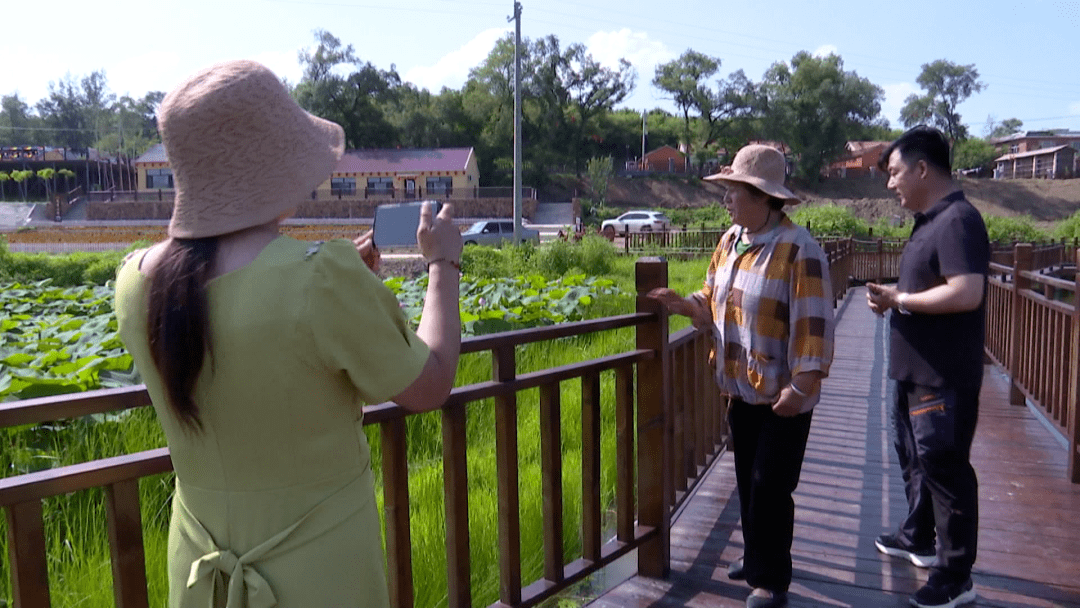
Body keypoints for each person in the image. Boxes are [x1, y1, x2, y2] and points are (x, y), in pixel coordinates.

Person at [113, 60, 463, 608]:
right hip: (319, 575)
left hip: (198, 576)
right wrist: (443, 265)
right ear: (276, 165)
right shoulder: (321, 277)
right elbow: (430, 383)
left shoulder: (134, 283)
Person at [649, 144, 835, 608]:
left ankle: (770, 580)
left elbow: (814, 322)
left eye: (733, 191)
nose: (727, 200)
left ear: (761, 196)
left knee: (771, 485)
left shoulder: (798, 249)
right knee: (747, 477)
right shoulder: (732, 240)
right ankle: (755, 558)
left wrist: (803, 384)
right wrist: (684, 304)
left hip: (782, 393)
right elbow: (713, 295)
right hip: (739, 387)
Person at [866, 126, 989, 608]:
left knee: (944, 467)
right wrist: (897, 302)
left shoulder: (959, 219)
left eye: (895, 173)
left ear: (921, 169)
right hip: (915, 370)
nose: (890, 183)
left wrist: (903, 299)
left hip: (942, 375)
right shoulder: (930, 220)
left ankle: (955, 575)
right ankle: (918, 535)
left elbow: (967, 291)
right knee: (916, 459)